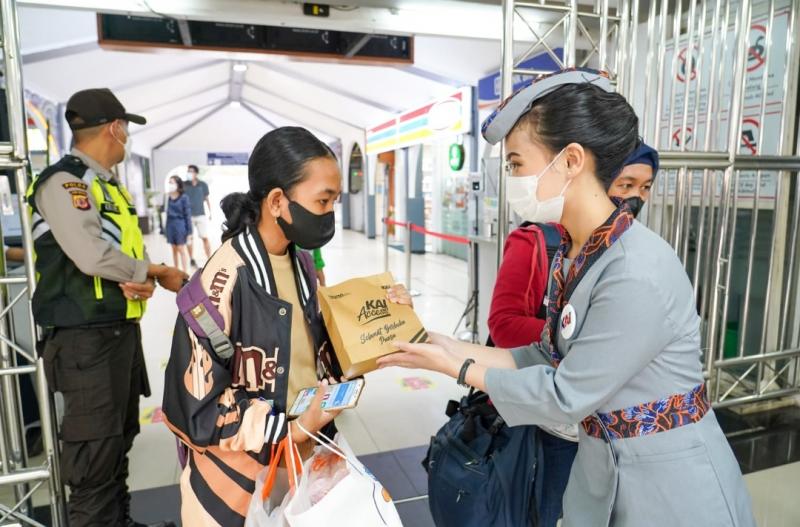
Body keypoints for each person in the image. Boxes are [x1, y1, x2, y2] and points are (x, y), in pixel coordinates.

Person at [378, 69, 755, 526]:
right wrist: (445, 345)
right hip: (606, 468)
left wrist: (454, 367)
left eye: (517, 163)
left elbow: (565, 393)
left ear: (571, 160)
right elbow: (547, 354)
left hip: (671, 486)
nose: (511, 177)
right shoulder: (580, 250)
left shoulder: (634, 270)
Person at [162, 127, 408, 526]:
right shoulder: (220, 283)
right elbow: (196, 408)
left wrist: (387, 320)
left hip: (303, 464)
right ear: (277, 201)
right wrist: (288, 428)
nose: (330, 213)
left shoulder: (302, 264)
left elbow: (314, 357)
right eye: (323, 201)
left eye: (335, 201)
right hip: (236, 487)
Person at [27, 88, 187, 527]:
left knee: (117, 442)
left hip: (115, 333)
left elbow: (108, 255)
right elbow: (90, 254)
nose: (126, 139)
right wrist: (148, 271)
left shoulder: (104, 184)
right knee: (94, 456)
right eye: (126, 130)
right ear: (115, 128)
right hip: (85, 340)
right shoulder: (67, 182)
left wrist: (131, 278)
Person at [488, 140, 659, 527]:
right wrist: (585, 341)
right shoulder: (536, 241)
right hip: (555, 423)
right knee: (552, 510)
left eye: (645, 188)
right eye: (626, 184)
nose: (634, 198)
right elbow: (503, 324)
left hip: (612, 425)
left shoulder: (634, 253)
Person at [183, 164, 212, 267]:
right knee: (189, 238)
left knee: (204, 237)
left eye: (191, 171)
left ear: (196, 173)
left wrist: (210, 212)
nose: (189, 173)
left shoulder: (203, 185)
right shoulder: (184, 184)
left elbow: (207, 199)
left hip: (200, 214)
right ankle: (191, 259)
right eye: (188, 171)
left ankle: (210, 258)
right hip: (188, 216)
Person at [165, 175, 192, 273]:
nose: (170, 184)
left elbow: (187, 215)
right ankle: (176, 270)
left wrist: (189, 232)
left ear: (178, 184)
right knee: (174, 249)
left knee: (181, 248)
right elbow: (166, 213)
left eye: (172, 182)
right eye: (169, 182)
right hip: (170, 225)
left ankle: (184, 272)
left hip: (180, 224)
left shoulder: (184, 197)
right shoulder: (168, 197)